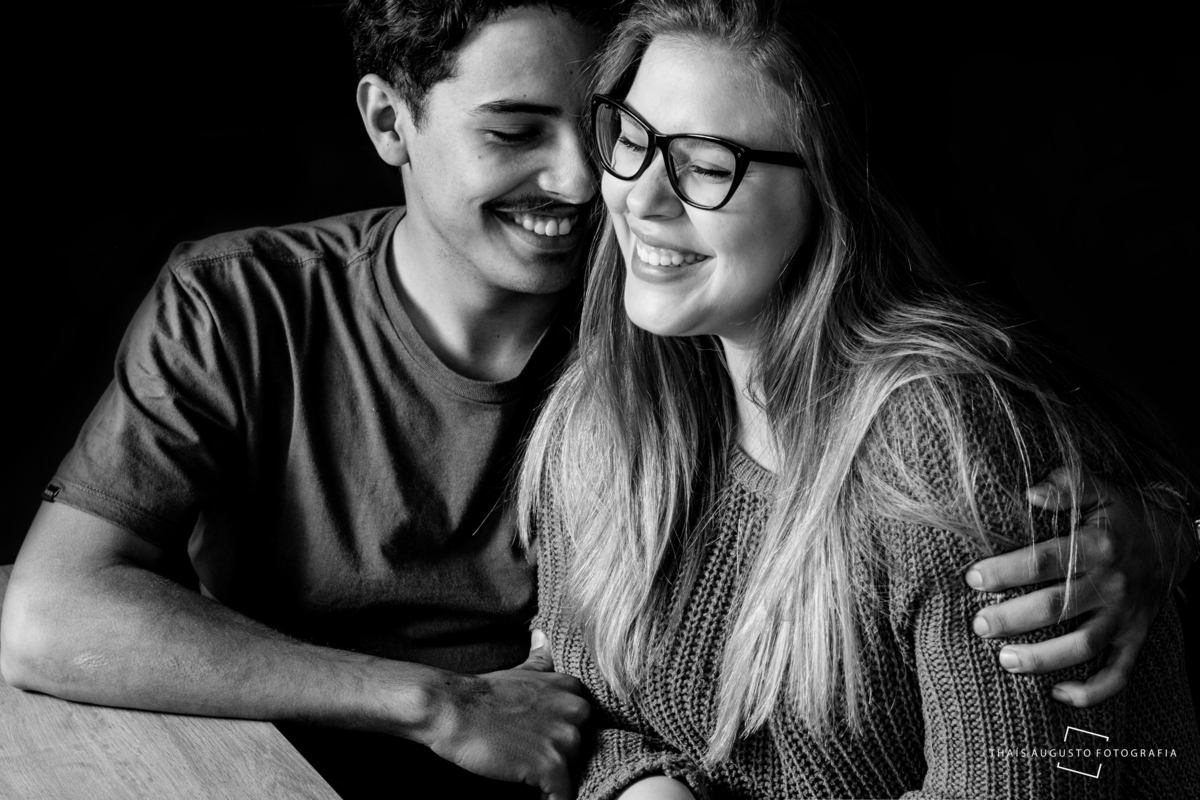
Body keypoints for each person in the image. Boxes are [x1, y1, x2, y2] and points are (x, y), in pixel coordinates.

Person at [0, 1, 1188, 798]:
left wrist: (1165, 523)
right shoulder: (614, 392)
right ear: (386, 121)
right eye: (530, 134)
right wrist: (514, 733)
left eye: (694, 157)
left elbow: (1060, 717)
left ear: (831, 185)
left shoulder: (860, 405)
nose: (603, 190)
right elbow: (47, 614)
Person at [518, 0, 1200, 797]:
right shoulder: (611, 411)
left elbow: (1026, 782)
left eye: (705, 165)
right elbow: (568, 694)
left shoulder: (945, 446)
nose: (640, 197)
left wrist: (1189, 529)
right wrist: (643, 787)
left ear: (830, 191)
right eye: (630, 140)